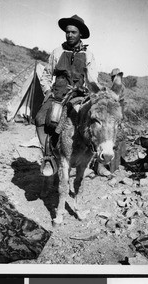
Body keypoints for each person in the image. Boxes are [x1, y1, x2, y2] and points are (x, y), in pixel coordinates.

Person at [35, 14, 100, 176]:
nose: (70, 35)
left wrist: (87, 95)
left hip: (78, 96)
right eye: (67, 32)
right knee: (40, 119)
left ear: (80, 35)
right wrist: (48, 91)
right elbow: (46, 75)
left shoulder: (89, 55)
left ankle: (90, 159)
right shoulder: (57, 52)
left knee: (91, 123)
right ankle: (49, 157)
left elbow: (92, 80)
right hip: (57, 95)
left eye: (73, 32)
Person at [95, 68, 126, 176]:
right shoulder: (111, 88)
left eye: (115, 76)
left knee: (116, 141)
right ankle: (103, 167)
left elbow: (121, 105)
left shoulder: (120, 88)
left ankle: (112, 168)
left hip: (116, 117)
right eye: (113, 76)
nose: (114, 78)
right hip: (111, 118)